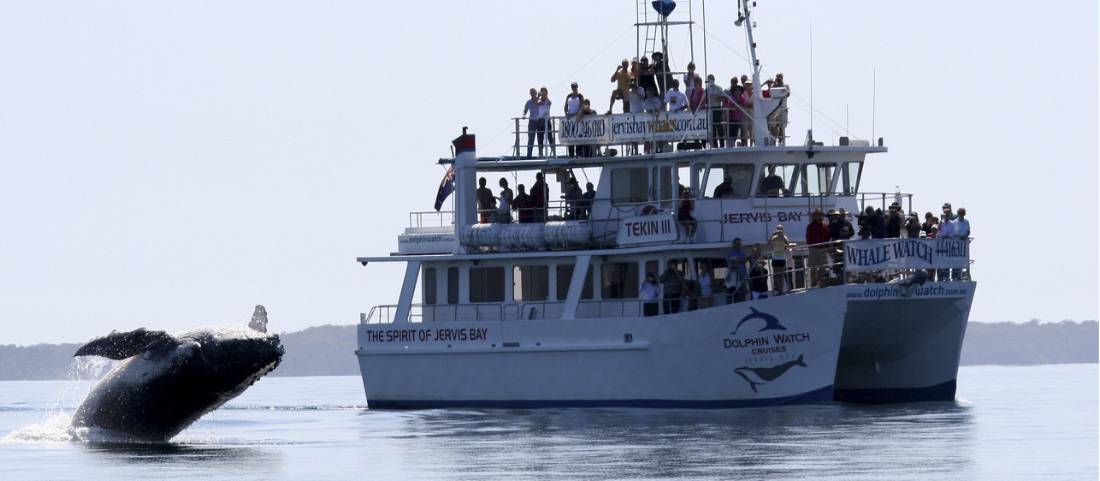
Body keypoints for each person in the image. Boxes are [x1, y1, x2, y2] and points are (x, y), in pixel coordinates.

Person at [805, 209, 830, 287]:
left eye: (820, 215)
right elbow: (808, 238)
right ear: (814, 217)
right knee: (813, 267)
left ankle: (821, 283)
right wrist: (811, 246)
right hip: (814, 249)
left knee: (823, 267)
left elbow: (827, 237)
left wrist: (826, 246)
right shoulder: (810, 226)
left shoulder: (825, 226)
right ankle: (813, 283)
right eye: (817, 215)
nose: (819, 216)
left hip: (823, 249)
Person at [704, 75, 728, 147]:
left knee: (719, 127)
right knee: (712, 128)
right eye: (709, 79)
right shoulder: (706, 89)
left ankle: (722, 144)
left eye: (712, 79)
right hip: (710, 109)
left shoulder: (719, 88)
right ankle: (714, 145)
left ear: (714, 79)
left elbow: (724, 98)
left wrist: (718, 97)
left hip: (717, 108)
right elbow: (704, 100)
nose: (711, 80)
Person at [768, 225, 791, 295]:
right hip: (775, 257)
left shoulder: (785, 237)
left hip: (782, 258)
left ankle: (781, 290)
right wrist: (773, 234)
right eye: (778, 229)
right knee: (776, 275)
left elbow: (787, 243)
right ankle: (777, 289)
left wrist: (783, 236)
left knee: (781, 274)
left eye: (781, 229)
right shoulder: (775, 237)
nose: (779, 231)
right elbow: (769, 242)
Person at [726, 238, 750, 302]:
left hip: (743, 275)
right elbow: (731, 264)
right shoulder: (730, 253)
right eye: (737, 244)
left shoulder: (742, 252)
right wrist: (740, 261)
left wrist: (737, 260)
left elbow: (745, 260)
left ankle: (744, 304)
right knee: (737, 293)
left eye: (739, 244)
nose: (738, 245)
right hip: (735, 277)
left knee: (744, 292)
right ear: (733, 244)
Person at [564, 83, 585, 157]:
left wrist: (578, 114)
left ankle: (578, 153)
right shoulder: (569, 96)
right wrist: (566, 113)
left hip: (577, 118)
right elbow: (565, 107)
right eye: (573, 87)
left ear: (577, 87)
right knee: (570, 136)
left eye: (575, 87)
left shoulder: (580, 96)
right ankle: (571, 154)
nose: (574, 88)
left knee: (578, 135)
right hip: (570, 119)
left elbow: (582, 106)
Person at [534, 87, 554, 157]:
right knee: (540, 137)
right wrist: (538, 96)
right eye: (542, 92)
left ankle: (554, 153)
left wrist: (545, 95)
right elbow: (535, 105)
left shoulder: (548, 101)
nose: (543, 94)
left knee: (550, 137)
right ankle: (540, 154)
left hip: (547, 121)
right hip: (540, 121)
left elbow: (549, 102)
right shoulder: (539, 102)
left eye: (544, 92)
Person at [522, 88, 539, 158]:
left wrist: (538, 97)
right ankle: (529, 155)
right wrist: (523, 115)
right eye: (531, 93)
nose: (532, 94)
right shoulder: (528, 102)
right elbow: (525, 110)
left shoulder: (539, 100)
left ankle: (540, 154)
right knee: (531, 139)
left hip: (539, 121)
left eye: (533, 93)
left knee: (540, 138)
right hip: (532, 121)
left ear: (536, 93)